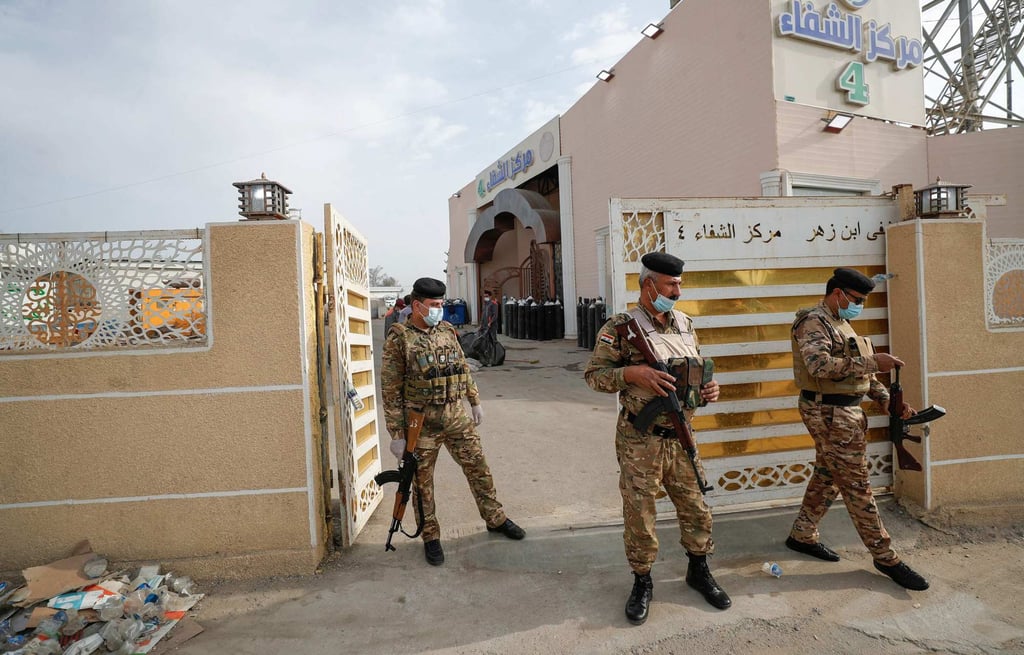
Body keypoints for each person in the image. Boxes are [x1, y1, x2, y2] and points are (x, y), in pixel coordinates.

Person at [584, 252, 729, 625]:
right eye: (671, 284)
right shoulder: (620, 327)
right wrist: (632, 373)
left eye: (679, 283)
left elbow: (694, 369)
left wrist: (708, 388)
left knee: (696, 506)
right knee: (640, 513)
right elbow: (594, 376)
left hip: (681, 436)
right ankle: (642, 580)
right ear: (648, 285)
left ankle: (698, 569)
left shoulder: (684, 323)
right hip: (640, 439)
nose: (677, 291)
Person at [787, 267, 929, 591]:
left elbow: (861, 377)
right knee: (856, 484)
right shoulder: (813, 322)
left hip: (844, 412)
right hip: (828, 412)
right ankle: (885, 556)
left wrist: (887, 401)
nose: (860, 306)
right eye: (856, 299)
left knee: (829, 474)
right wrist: (874, 362)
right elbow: (819, 366)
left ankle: (802, 534)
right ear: (838, 294)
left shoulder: (840, 322)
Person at [381, 277, 525, 566]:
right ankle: (430, 535)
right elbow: (390, 390)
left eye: (442, 304)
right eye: (434, 305)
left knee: (479, 468)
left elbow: (462, 368)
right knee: (423, 484)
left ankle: (495, 518)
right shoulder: (400, 338)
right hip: (420, 424)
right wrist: (396, 434)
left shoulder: (447, 330)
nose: (440, 310)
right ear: (417, 306)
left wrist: (475, 401)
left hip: (455, 416)